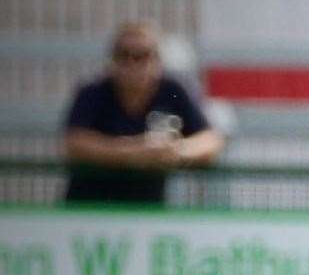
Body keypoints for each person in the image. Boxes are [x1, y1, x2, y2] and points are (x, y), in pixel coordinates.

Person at [62, 21, 224, 204]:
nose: (132, 63)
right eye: (123, 55)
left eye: (141, 56)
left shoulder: (173, 91)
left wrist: (176, 151)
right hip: (90, 207)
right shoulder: (92, 92)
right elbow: (75, 142)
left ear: (158, 60)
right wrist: (133, 150)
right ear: (112, 60)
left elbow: (210, 140)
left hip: (147, 210)